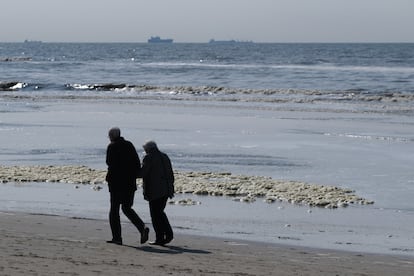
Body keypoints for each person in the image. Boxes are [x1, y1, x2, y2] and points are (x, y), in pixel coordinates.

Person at [105, 127, 149, 245]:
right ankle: (142, 227)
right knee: (127, 207)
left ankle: (117, 238)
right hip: (129, 183)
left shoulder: (112, 146)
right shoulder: (129, 145)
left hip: (116, 183)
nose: (109, 138)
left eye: (109, 136)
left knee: (114, 210)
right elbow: (136, 163)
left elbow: (109, 163)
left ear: (112, 136)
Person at [140, 140, 174, 246]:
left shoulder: (148, 157)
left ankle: (161, 237)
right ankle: (167, 235)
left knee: (155, 215)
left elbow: (143, 173)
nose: (144, 151)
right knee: (160, 213)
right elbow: (170, 173)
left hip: (154, 190)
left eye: (145, 149)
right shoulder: (164, 156)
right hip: (166, 189)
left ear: (148, 149)